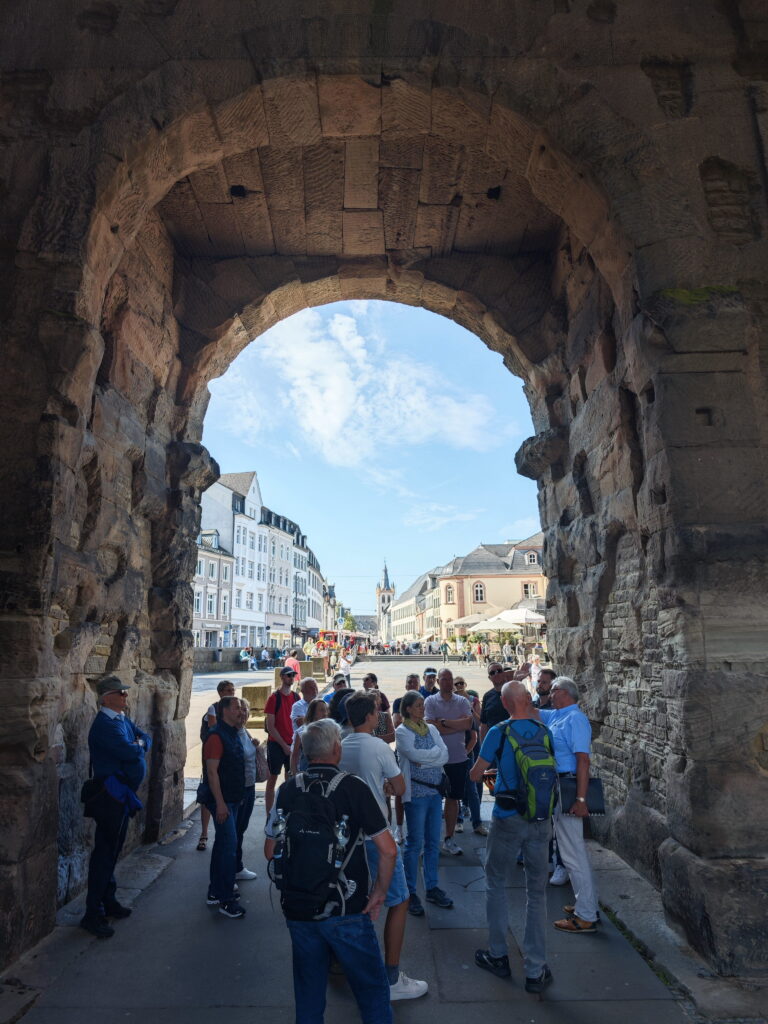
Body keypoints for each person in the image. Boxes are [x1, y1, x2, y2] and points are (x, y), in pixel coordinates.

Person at [264, 719, 397, 1024]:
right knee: (372, 991)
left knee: (309, 994)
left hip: (299, 907)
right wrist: (379, 892)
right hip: (347, 905)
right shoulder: (353, 787)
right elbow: (388, 849)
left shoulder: (288, 789)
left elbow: (270, 851)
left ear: (308, 753)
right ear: (337, 749)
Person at [340, 692, 428, 1001]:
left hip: (346, 839)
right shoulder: (377, 746)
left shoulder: (340, 743)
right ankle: (391, 978)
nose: (380, 717)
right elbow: (400, 787)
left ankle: (350, 966)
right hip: (376, 836)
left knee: (355, 903)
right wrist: (387, 785)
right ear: (370, 716)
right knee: (399, 899)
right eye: (378, 712)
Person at [469, 681, 554, 993]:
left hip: (508, 818)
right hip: (540, 817)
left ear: (505, 704)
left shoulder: (499, 732)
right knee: (537, 892)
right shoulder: (544, 731)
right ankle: (535, 968)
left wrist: (487, 773)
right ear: (527, 700)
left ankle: (498, 954)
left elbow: (476, 773)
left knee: (496, 883)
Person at [81, 675, 152, 938]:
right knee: (105, 853)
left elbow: (144, 738)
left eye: (124, 692)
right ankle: (93, 913)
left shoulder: (120, 719)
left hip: (120, 796)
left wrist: (139, 744)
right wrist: (138, 746)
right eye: (119, 693)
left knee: (112, 851)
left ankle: (107, 901)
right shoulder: (104, 725)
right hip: (110, 795)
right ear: (105, 697)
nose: (125, 696)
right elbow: (128, 751)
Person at [537, 676, 599, 933]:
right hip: (560, 787)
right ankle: (587, 904)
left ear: (564, 692)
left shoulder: (576, 719)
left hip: (570, 788)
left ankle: (586, 916)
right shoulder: (557, 716)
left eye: (553, 690)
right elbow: (530, 711)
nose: (550, 693)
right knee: (571, 851)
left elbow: (583, 761)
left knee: (573, 853)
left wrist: (581, 799)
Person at [395, 691, 453, 916]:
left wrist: (425, 760)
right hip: (417, 795)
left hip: (434, 794)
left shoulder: (433, 729)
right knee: (414, 843)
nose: (422, 708)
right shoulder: (402, 731)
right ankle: (409, 891)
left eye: (422, 705)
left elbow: (444, 755)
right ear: (408, 708)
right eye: (418, 705)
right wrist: (432, 757)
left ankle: (431, 886)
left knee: (432, 842)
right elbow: (412, 754)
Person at [201, 695, 246, 918]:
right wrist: (219, 803)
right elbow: (211, 772)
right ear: (225, 711)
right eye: (237, 708)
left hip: (231, 799)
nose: (241, 711)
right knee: (228, 848)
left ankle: (215, 891)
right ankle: (226, 899)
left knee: (223, 847)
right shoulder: (216, 737)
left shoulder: (231, 733)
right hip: (223, 801)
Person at [424, 668, 472, 856]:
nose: (447, 682)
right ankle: (430, 840)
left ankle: (449, 838)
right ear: (438, 681)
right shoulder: (430, 701)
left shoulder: (462, 701)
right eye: (444, 679)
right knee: (433, 799)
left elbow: (468, 724)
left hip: (457, 757)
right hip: (435, 759)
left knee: (453, 799)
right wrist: (454, 723)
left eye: (450, 679)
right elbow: (431, 728)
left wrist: (443, 722)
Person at [198, 679, 236, 852]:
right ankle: (204, 833)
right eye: (228, 690)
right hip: (213, 756)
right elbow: (216, 732)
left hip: (226, 758)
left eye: (232, 690)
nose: (231, 693)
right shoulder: (214, 709)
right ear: (220, 692)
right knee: (208, 794)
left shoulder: (235, 707)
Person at [453, 677, 486, 836]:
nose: (459, 686)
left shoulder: (469, 708)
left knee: (472, 788)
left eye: (461, 684)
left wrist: (466, 753)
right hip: (453, 754)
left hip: (467, 753)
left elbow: (474, 735)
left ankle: (477, 822)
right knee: (455, 789)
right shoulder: (448, 710)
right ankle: (458, 821)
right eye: (456, 684)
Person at [264, 667, 299, 816]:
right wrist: (284, 745)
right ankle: (269, 814)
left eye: (293, 675)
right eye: (289, 675)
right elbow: (270, 726)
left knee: (290, 779)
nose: (291, 678)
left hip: (292, 743)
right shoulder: (274, 698)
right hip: (276, 744)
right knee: (272, 778)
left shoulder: (296, 697)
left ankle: (287, 811)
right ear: (282, 677)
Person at [234, 698, 260, 881]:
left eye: (245, 710)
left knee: (240, 830)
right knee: (232, 833)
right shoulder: (228, 734)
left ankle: (236, 867)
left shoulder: (244, 731)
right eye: (239, 709)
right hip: (237, 790)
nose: (243, 713)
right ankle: (227, 874)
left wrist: (255, 744)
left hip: (249, 787)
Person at [290, 697, 329, 774]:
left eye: (326, 710)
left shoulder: (329, 730)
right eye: (321, 710)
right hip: (306, 772)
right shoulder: (302, 731)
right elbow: (294, 754)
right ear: (313, 712)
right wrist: (294, 773)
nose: (325, 713)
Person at [479, 662, 510, 743]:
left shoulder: (513, 691)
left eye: (499, 671)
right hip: (493, 742)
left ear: (504, 673)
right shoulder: (487, 696)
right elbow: (484, 724)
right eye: (492, 673)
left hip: (512, 741)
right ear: (489, 678)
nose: (496, 674)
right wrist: (483, 747)